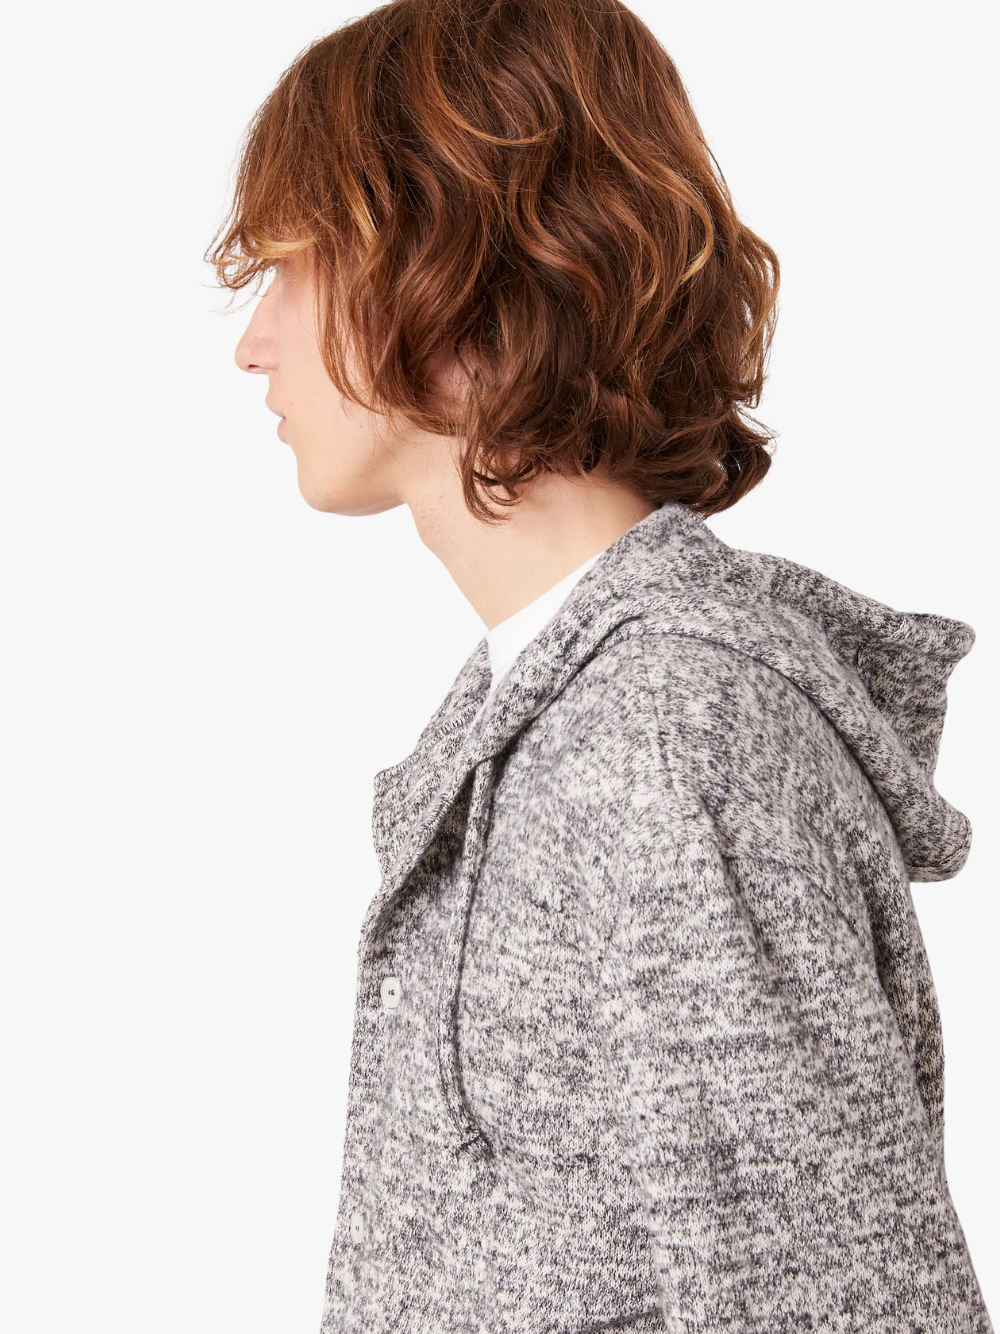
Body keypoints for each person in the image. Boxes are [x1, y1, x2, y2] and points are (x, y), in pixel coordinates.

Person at [206, 0, 994, 1329]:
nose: (252, 342)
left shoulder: (668, 745)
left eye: (295, 265)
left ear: (458, 278)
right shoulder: (558, 720)